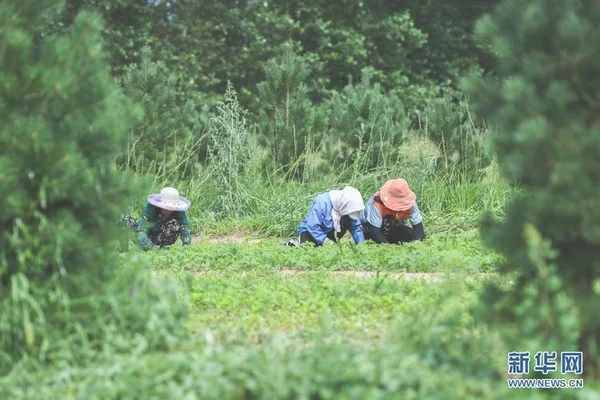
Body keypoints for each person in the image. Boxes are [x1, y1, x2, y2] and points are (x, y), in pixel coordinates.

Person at [287, 186, 365, 246]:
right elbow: (312, 226)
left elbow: (356, 228)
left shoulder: (348, 207)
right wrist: (327, 242)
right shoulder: (322, 202)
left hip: (331, 231)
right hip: (311, 231)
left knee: (349, 220)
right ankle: (294, 243)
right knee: (308, 248)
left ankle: (333, 244)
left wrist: (361, 246)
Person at [120, 187, 192, 251]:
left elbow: (184, 228)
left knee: (175, 224)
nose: (169, 209)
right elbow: (141, 231)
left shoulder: (179, 211)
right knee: (124, 218)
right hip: (144, 236)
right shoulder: (150, 207)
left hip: (160, 236)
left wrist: (186, 245)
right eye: (166, 207)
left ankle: (164, 250)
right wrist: (152, 248)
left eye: (171, 207)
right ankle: (124, 250)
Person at [361, 179, 425, 244]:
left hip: (395, 227)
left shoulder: (411, 204)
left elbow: (418, 227)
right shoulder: (376, 204)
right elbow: (375, 231)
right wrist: (387, 247)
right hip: (371, 230)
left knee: (415, 236)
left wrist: (417, 242)